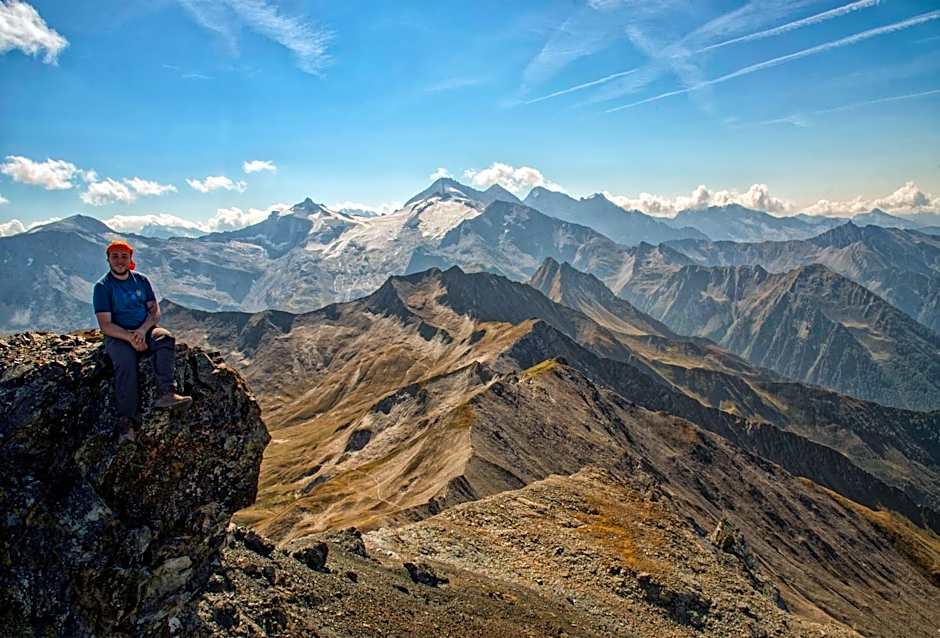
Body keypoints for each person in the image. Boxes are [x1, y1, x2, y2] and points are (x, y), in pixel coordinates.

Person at [93, 240, 192, 422]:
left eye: (124, 256)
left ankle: (167, 393)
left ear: (130, 258)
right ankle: (126, 420)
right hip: (118, 335)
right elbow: (105, 325)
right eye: (115, 256)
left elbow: (154, 311)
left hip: (144, 328)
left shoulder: (141, 280)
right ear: (108, 259)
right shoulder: (103, 287)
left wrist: (142, 330)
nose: (120, 261)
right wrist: (130, 337)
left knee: (165, 339)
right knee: (125, 363)